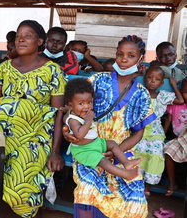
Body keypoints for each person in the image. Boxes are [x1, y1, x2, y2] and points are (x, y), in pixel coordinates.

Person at [63, 35, 156, 218]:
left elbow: (138, 134)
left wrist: (116, 152)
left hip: (120, 150)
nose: (123, 59)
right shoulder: (97, 80)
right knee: (87, 191)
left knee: (135, 204)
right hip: (90, 147)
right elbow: (71, 107)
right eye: (120, 54)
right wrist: (68, 130)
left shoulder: (142, 95)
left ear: (141, 58)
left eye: (130, 55)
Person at [0, 20, 66, 217]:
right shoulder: (5, 68)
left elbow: (58, 113)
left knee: (19, 191)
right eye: (18, 36)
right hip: (0, 135)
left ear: (40, 41)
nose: (21, 39)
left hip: (34, 138)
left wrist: (55, 152)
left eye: (28, 35)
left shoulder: (52, 71)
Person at [64, 78, 141, 180]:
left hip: (96, 143)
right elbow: (79, 135)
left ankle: (126, 163)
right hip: (84, 150)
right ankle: (125, 174)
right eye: (81, 103)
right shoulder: (73, 120)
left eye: (89, 102)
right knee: (103, 161)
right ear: (71, 105)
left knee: (112, 144)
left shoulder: (79, 112)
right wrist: (88, 120)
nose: (86, 107)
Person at [134, 66, 184, 198]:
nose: (152, 81)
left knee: (155, 153)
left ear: (161, 83)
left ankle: (147, 185)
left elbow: (180, 100)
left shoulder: (162, 96)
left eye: (157, 79)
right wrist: (136, 74)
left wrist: (173, 85)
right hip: (139, 129)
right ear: (145, 78)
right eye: (149, 77)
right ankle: (136, 181)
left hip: (155, 132)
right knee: (137, 151)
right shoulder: (139, 92)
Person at [163, 77, 187, 196]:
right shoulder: (176, 105)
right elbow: (169, 119)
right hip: (179, 139)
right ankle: (172, 183)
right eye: (186, 92)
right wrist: (162, 135)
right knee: (168, 151)